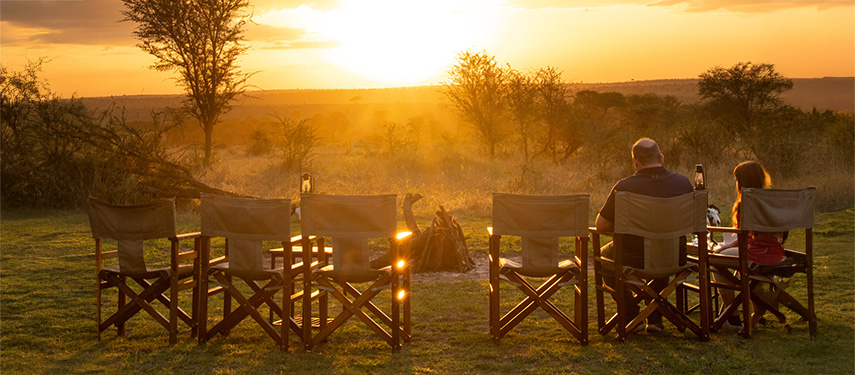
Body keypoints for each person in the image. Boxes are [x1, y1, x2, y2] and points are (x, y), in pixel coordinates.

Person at [595, 138, 694, 333]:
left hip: (633, 258)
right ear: (661, 158)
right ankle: (655, 316)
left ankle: (632, 314)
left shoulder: (624, 187)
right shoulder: (684, 183)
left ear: (635, 161)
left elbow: (601, 225)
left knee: (602, 258)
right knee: (661, 249)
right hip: (675, 257)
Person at [713, 161, 786, 326]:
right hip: (776, 253)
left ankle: (730, 312)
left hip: (755, 255)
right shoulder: (771, 200)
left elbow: (743, 238)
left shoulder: (746, 202)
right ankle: (756, 308)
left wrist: (726, 247)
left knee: (714, 259)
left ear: (741, 181)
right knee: (731, 258)